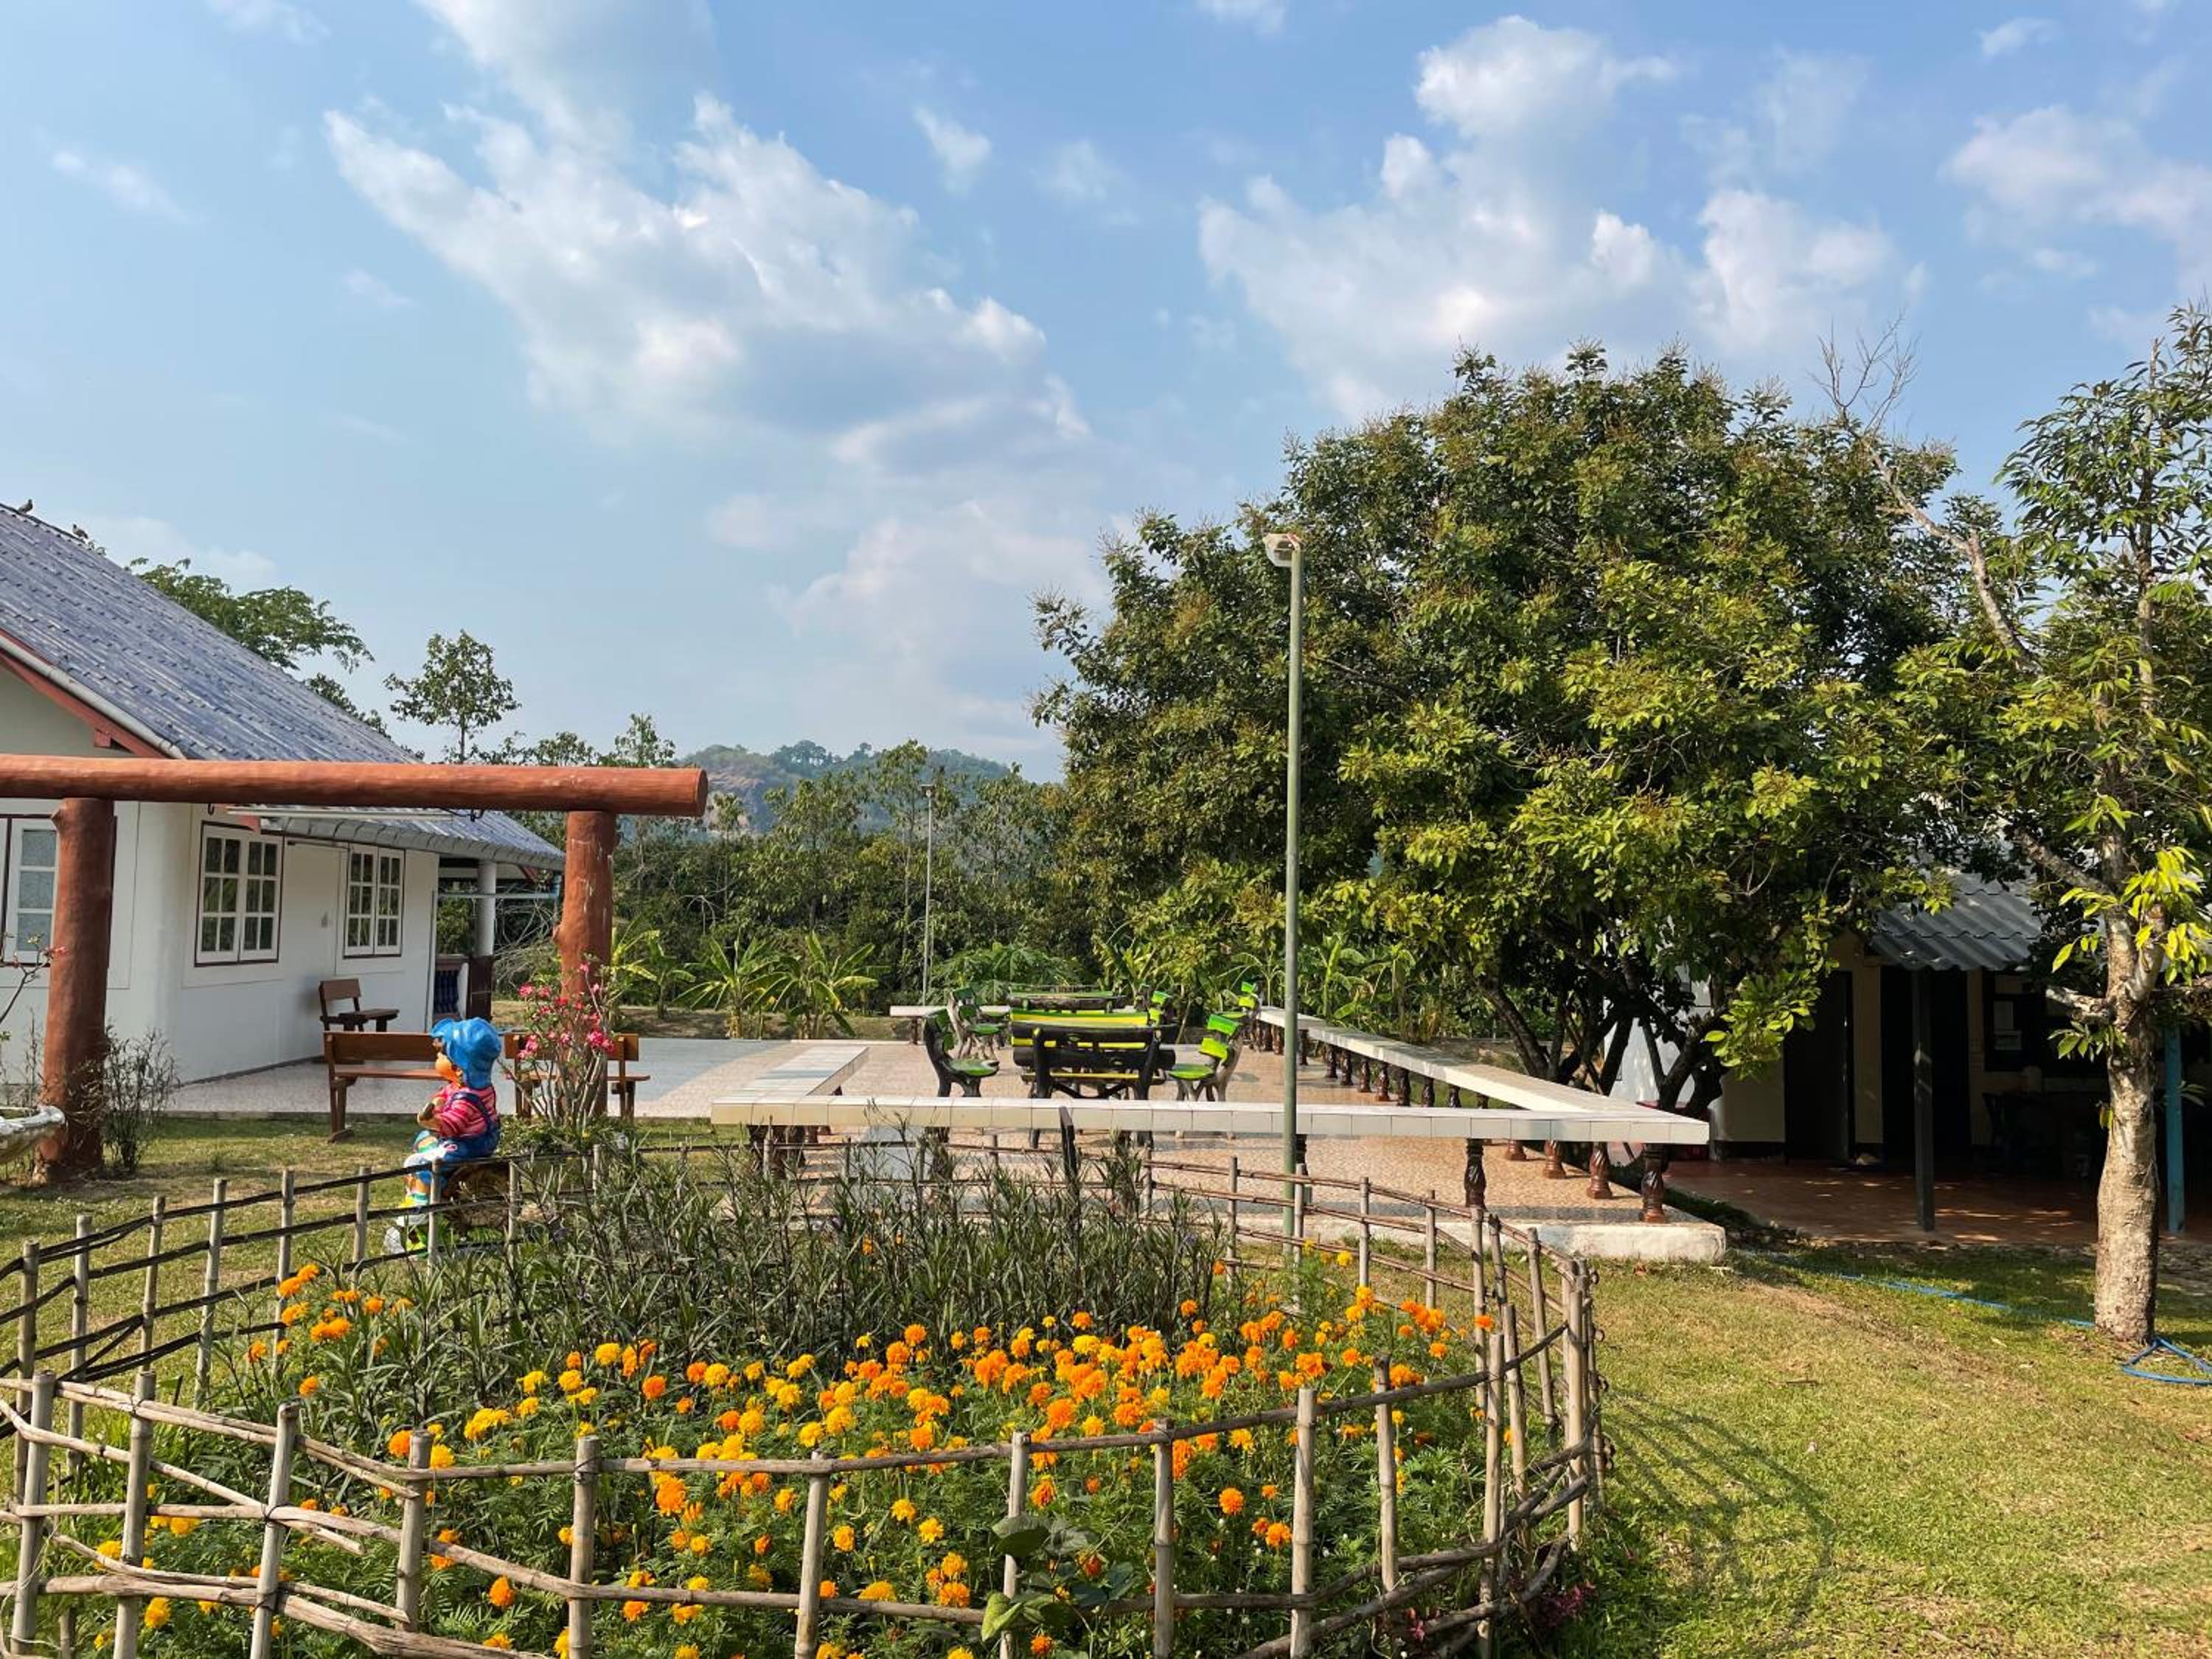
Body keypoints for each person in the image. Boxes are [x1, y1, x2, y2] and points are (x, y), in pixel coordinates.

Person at [400, 1017, 504, 1217]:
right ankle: (428, 1186)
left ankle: (423, 1204)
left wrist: (431, 1121)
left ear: (458, 1068)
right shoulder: (466, 1085)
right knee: (423, 1140)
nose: (437, 1056)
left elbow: (453, 1125)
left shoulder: (467, 1098)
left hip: (468, 1147)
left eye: (442, 1054)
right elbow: (446, 1092)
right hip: (470, 1140)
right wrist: (439, 1100)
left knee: (419, 1164)